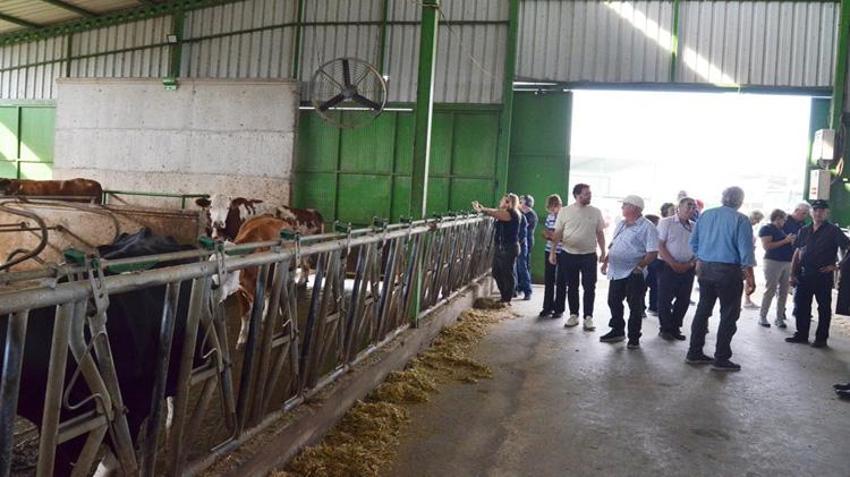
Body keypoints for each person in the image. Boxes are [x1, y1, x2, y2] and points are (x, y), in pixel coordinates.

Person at [686, 186, 756, 372]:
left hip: (705, 269)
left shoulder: (706, 215)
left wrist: (701, 258)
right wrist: (750, 277)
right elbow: (746, 252)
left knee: (703, 310)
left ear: (722, 198)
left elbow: (693, 242)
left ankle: (694, 352)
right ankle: (721, 358)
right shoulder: (740, 219)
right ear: (740, 201)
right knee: (729, 314)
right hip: (728, 272)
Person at [785, 200, 850, 348]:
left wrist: (837, 266)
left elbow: (848, 247)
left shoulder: (833, 231)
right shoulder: (804, 230)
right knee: (801, 306)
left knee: (824, 308)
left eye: (821, 210)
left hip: (822, 276)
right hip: (804, 275)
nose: (818, 213)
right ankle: (801, 334)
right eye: (815, 210)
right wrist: (792, 274)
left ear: (827, 213)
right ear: (811, 212)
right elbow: (797, 252)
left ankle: (821, 339)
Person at [599, 195, 658, 348]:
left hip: (634, 273)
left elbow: (652, 252)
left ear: (635, 208)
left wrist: (639, 267)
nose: (622, 207)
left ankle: (634, 337)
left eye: (625, 205)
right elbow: (614, 244)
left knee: (635, 306)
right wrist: (606, 261)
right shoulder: (621, 223)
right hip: (616, 271)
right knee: (613, 301)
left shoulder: (648, 227)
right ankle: (617, 330)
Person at [549, 183, 607, 331]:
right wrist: (553, 252)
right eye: (586, 194)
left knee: (589, 286)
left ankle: (588, 317)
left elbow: (600, 233)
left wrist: (603, 252)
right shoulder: (565, 211)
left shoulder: (595, 212)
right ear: (577, 195)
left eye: (590, 193)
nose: (589, 196)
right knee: (572, 286)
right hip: (569, 254)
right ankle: (573, 315)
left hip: (589, 255)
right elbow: (558, 233)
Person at [656, 197, 697, 341]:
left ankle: (675, 327)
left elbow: (698, 247)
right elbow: (660, 245)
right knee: (665, 299)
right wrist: (673, 264)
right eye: (688, 206)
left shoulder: (694, 226)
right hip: (667, 266)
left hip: (688, 267)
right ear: (679, 207)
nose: (691, 209)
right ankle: (665, 328)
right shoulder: (666, 222)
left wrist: (690, 264)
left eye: (694, 207)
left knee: (684, 299)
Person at [473, 194, 521, 304]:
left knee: (507, 273)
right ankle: (504, 296)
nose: (500, 202)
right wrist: (483, 208)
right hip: (502, 247)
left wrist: (483, 210)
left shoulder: (512, 213)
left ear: (508, 203)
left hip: (509, 248)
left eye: (503, 201)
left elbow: (497, 213)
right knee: (496, 272)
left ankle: (507, 298)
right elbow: (496, 212)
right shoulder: (506, 213)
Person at [757, 209, 796, 328]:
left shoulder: (782, 230)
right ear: (777, 218)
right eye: (783, 219)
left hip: (787, 262)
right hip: (773, 261)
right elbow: (767, 246)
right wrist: (785, 240)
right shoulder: (767, 229)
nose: (784, 222)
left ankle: (779, 318)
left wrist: (791, 241)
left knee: (784, 291)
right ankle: (763, 316)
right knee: (771, 289)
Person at [540, 194, 567, 318]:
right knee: (549, 279)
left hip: (562, 251)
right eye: (550, 208)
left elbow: (564, 236)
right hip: (549, 249)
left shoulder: (565, 217)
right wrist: (549, 235)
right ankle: (547, 307)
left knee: (561, 280)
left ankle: (559, 309)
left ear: (559, 205)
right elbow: (546, 232)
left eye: (554, 207)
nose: (552, 211)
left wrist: (553, 236)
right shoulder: (550, 216)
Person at [515, 195, 538, 301]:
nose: (519, 203)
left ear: (525, 204)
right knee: (521, 265)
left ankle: (527, 290)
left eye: (521, 202)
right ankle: (520, 287)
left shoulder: (531, 215)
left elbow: (524, 229)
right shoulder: (523, 213)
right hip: (522, 241)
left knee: (523, 266)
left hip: (525, 241)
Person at [743, 210, 765, 309]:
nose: (758, 222)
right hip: (744, 258)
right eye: (757, 219)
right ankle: (746, 300)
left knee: (747, 279)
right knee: (746, 278)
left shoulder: (749, 228)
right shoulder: (745, 227)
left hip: (748, 255)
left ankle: (747, 299)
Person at [644, 214, 662, 316]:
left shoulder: (657, 234)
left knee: (655, 286)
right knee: (642, 287)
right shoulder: (646, 233)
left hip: (654, 263)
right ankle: (641, 308)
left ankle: (653, 307)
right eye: (657, 223)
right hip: (645, 263)